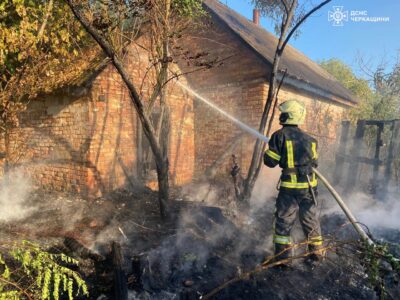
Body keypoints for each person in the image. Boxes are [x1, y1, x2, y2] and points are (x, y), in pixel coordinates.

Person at [264, 99, 324, 268]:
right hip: (309, 188)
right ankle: (316, 255)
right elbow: (315, 163)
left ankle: (283, 259)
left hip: (289, 189)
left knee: (284, 222)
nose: (280, 115)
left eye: (282, 113)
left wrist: (269, 151)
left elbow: (270, 162)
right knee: (310, 220)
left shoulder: (279, 136)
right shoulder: (311, 140)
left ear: (287, 116)